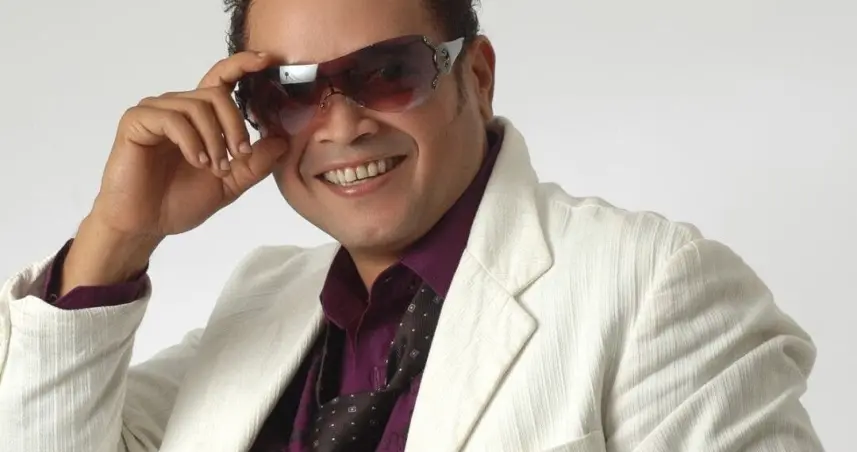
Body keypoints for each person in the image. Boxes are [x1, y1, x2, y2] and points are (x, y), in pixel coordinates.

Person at [0, 0, 824, 451]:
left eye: (388, 72)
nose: (342, 125)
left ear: (477, 76)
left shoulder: (652, 284)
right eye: (290, 91)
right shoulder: (260, 303)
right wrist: (118, 236)